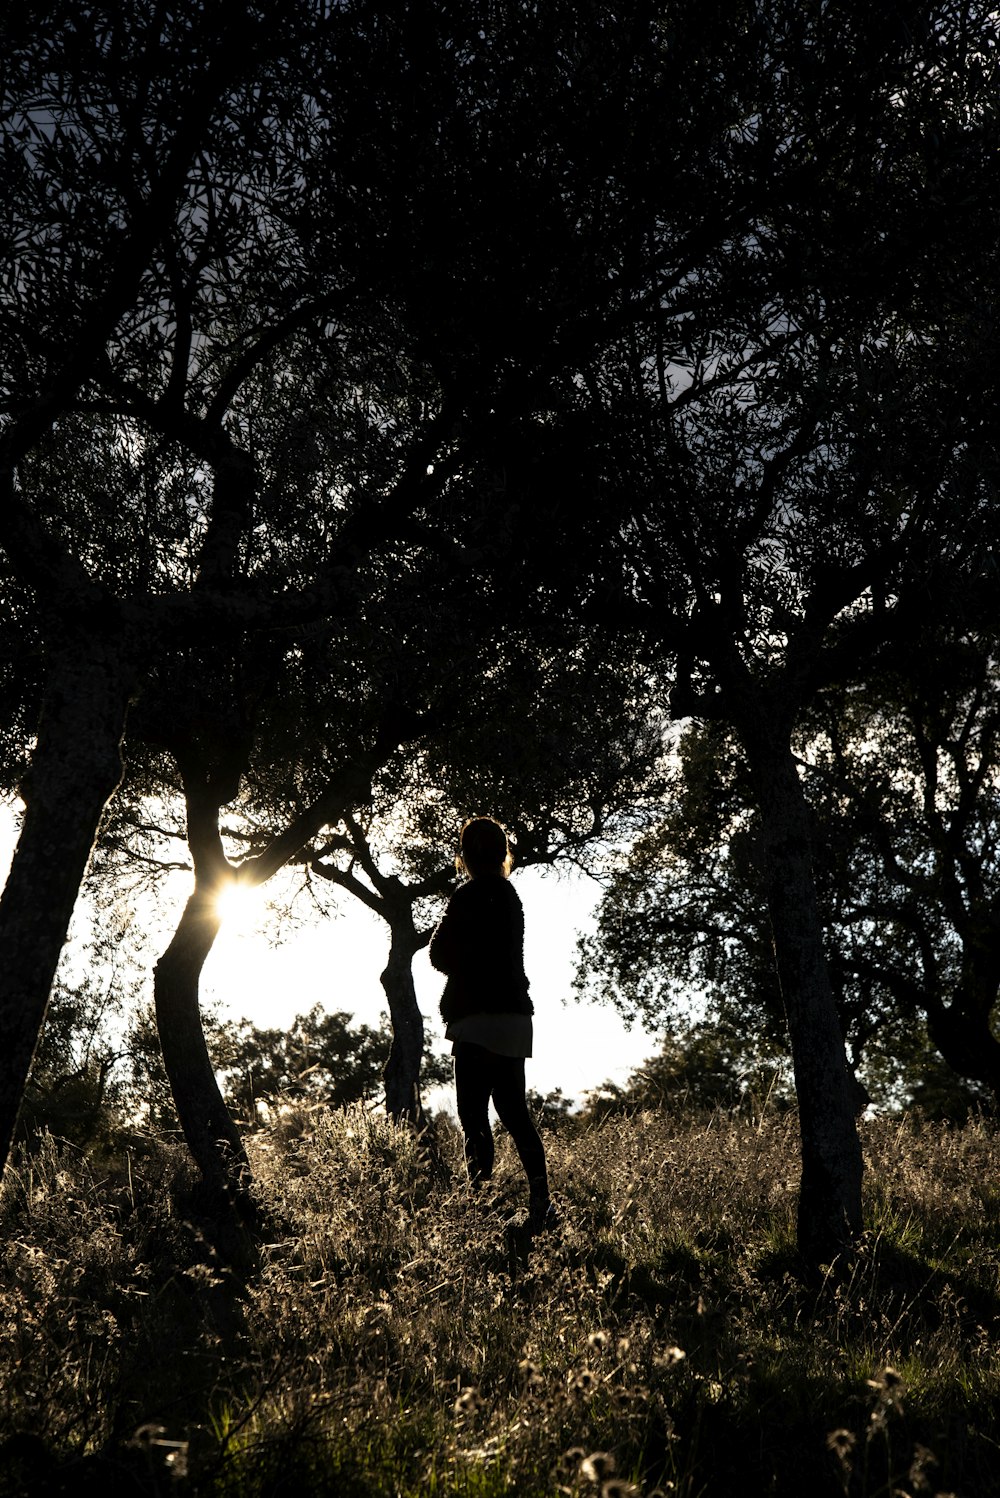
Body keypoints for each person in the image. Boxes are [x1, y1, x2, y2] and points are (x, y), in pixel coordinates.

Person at [429, 816, 555, 1230]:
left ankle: (479, 1211)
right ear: (503, 854)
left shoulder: (464, 897)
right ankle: (541, 1205)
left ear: (464, 856)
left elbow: (439, 955)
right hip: (515, 1018)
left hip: (477, 1020)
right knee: (514, 1112)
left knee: (473, 1116)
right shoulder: (510, 896)